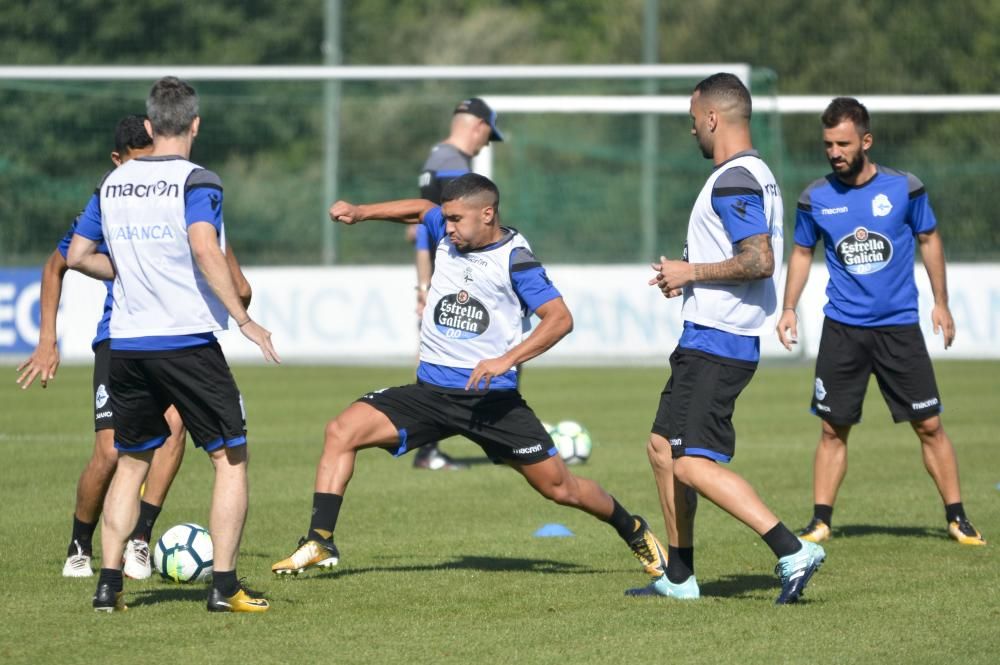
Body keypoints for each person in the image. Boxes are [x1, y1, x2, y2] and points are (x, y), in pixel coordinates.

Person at [271, 173, 669, 589]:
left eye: (458, 219)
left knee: (561, 489)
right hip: (430, 394)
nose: (449, 227)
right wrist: (361, 212)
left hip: (490, 403)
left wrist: (506, 359)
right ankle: (320, 540)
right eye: (448, 219)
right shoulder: (446, 231)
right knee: (341, 431)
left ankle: (635, 530)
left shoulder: (516, 259)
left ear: (488, 213)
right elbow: (421, 211)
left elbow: (560, 319)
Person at [67, 76, 279, 613]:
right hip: (185, 341)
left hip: (128, 345)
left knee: (132, 460)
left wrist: (130, 275)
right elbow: (205, 247)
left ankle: (108, 587)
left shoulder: (112, 182)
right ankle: (225, 588)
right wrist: (244, 319)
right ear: (195, 124)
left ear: (147, 125)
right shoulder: (197, 180)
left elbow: (76, 255)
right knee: (231, 458)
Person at [633, 73, 825, 604]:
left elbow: (759, 260)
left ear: (713, 118)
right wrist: (687, 276)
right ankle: (680, 576)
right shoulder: (750, 175)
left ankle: (792, 548)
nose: (691, 127)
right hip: (706, 336)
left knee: (693, 462)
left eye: (694, 118)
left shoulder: (735, 178)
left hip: (719, 343)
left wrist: (691, 272)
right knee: (661, 449)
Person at [776, 97, 985, 547]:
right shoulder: (815, 197)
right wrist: (789, 307)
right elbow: (801, 251)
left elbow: (928, 238)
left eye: (843, 143)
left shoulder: (904, 188)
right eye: (828, 143)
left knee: (929, 425)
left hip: (898, 327)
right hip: (843, 330)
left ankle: (957, 517)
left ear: (866, 141)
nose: (834, 152)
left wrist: (941, 302)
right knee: (832, 429)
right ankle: (820, 521)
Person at [17, 115, 188, 580]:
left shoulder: (173, 191)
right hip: (119, 338)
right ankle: (79, 542)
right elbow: (57, 265)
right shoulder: (106, 202)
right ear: (116, 161)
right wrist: (47, 341)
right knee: (111, 453)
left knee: (176, 429)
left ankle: (139, 538)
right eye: (135, 164)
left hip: (171, 334)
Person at [409, 97, 504, 471]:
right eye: (487, 136)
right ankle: (498, 441)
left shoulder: (435, 158)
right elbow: (428, 228)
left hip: (441, 279)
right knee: (502, 346)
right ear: (478, 125)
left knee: (438, 356)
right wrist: (426, 287)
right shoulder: (453, 166)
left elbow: (420, 230)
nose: (485, 145)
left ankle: (435, 447)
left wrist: (422, 284)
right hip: (458, 280)